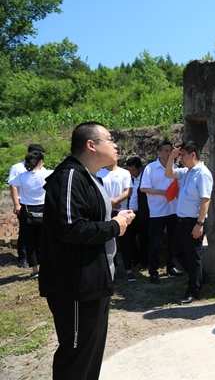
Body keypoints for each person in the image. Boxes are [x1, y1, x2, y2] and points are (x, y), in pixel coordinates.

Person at [39, 122, 135, 380]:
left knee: (90, 352)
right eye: (110, 139)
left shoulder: (90, 178)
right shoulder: (69, 176)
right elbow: (71, 227)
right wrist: (114, 226)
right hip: (75, 284)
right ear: (91, 145)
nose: (115, 145)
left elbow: (86, 218)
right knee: (76, 355)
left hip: (94, 280)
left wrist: (114, 218)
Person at [164, 141, 213, 304]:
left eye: (182, 155)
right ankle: (201, 277)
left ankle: (194, 290)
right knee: (176, 250)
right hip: (182, 220)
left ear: (193, 155)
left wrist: (199, 224)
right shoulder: (187, 171)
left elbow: (205, 200)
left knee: (193, 257)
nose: (180, 158)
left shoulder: (202, 173)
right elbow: (169, 174)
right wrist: (171, 157)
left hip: (193, 221)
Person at [140, 141, 183, 284]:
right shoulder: (150, 168)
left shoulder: (176, 168)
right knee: (155, 243)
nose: (168, 153)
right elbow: (144, 188)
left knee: (174, 240)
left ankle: (171, 267)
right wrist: (164, 193)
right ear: (158, 152)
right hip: (158, 211)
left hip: (173, 209)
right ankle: (153, 271)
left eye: (170, 151)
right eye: (165, 150)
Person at [8, 150, 53, 279]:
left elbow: (12, 184)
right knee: (45, 240)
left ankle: (34, 269)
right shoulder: (47, 173)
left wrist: (16, 203)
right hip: (44, 210)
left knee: (30, 241)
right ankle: (47, 267)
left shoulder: (21, 176)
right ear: (40, 162)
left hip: (26, 210)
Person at [96, 162, 133, 281]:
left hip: (121, 212)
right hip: (106, 212)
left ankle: (129, 270)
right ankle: (114, 269)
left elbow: (128, 191)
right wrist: (111, 202)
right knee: (109, 242)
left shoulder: (124, 172)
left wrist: (117, 200)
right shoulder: (99, 173)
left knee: (125, 243)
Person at [125, 157, 150, 267]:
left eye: (134, 170)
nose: (132, 173)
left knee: (143, 237)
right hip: (131, 211)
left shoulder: (146, 178)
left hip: (142, 212)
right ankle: (135, 259)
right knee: (129, 236)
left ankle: (144, 261)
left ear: (140, 168)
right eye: (129, 170)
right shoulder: (128, 178)